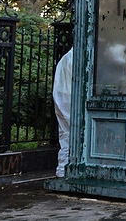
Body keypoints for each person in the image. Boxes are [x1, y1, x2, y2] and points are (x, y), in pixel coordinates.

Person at [52, 47, 73, 178]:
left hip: (62, 97)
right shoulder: (76, 58)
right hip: (70, 98)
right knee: (71, 133)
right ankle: (64, 168)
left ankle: (62, 169)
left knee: (66, 134)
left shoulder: (66, 57)